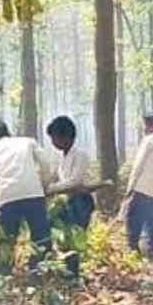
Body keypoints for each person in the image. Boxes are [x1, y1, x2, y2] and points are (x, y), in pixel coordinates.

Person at [0, 121, 51, 273]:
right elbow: (46, 163)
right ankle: (38, 271)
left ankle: (3, 275)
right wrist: (43, 184)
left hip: (7, 198)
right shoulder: (27, 142)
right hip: (33, 194)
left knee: (6, 239)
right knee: (40, 235)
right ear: (8, 132)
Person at [46, 116, 94, 278]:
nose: (53, 143)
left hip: (80, 201)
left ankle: (73, 275)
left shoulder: (80, 155)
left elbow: (75, 181)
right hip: (65, 202)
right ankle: (66, 272)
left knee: (75, 238)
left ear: (66, 136)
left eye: (55, 138)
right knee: (63, 238)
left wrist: (51, 189)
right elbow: (55, 177)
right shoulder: (61, 157)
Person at [124, 113, 153, 260]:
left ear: (152, 126)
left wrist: (130, 187)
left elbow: (138, 165)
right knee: (152, 222)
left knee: (133, 220)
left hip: (141, 187)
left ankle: (132, 251)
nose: (144, 128)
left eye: (146, 125)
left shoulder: (149, 141)